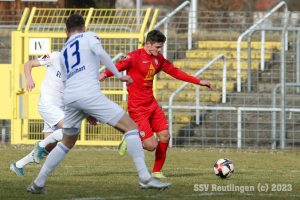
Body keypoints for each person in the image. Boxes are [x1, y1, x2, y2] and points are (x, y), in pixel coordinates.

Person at [27, 14, 172, 194]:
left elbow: (65, 78)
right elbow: (101, 53)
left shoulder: (64, 50)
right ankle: (145, 178)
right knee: (131, 128)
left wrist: (84, 110)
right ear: (84, 28)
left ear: (66, 32)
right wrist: (119, 75)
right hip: (89, 93)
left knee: (65, 143)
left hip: (70, 97)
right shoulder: (90, 36)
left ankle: (37, 184)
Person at [99, 29, 212, 179]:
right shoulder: (134, 56)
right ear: (148, 44)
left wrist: (199, 81)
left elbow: (175, 72)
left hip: (152, 104)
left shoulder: (159, 59)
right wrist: (105, 74)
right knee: (151, 146)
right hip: (137, 108)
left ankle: (157, 172)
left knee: (165, 136)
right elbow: (118, 66)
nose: (160, 50)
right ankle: (131, 138)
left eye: (161, 47)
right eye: (157, 47)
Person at [10, 48, 97, 176]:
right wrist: (29, 79)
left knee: (50, 147)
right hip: (47, 104)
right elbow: (29, 64)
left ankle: (18, 165)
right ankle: (40, 145)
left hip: (59, 108)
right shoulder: (54, 57)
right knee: (70, 129)